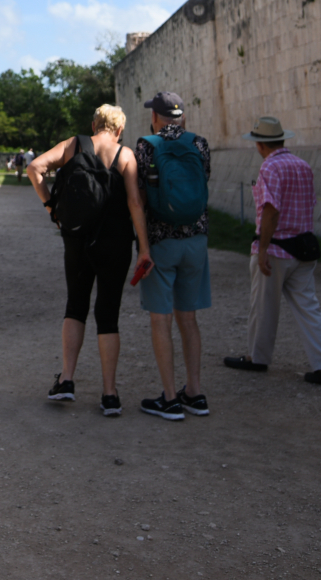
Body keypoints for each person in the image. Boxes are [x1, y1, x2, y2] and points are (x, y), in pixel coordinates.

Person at [29, 105, 152, 417]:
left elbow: (35, 168)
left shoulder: (75, 145)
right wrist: (144, 249)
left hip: (77, 240)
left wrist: (51, 208)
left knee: (76, 306)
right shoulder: (125, 155)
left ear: (94, 124)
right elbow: (135, 202)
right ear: (119, 130)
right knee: (108, 314)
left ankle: (67, 379)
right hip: (116, 242)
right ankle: (109, 394)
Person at [224, 115, 321, 385]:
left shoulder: (269, 168)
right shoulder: (303, 166)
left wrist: (262, 249)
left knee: (263, 307)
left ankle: (257, 357)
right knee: (309, 308)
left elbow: (270, 211)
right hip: (304, 247)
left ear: (260, 144)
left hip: (277, 250)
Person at [132, 92, 213, 421]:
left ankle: (169, 398)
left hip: (161, 240)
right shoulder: (200, 144)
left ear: (156, 117)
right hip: (196, 239)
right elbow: (203, 181)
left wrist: (143, 248)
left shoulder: (146, 145)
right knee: (189, 318)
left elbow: (138, 196)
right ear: (181, 117)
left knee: (160, 319)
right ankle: (194, 392)